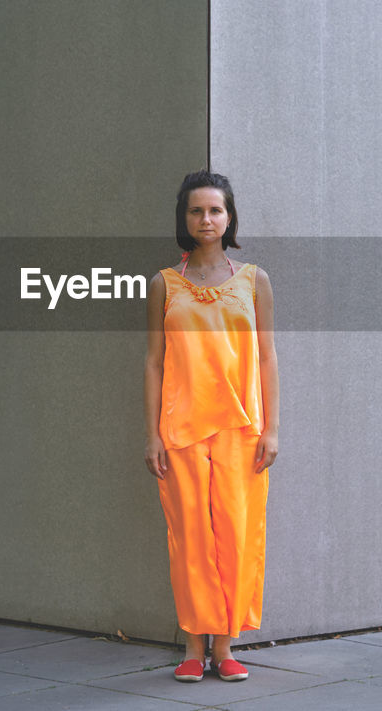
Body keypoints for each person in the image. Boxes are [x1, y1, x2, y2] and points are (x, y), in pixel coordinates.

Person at [144, 169, 280, 683]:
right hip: (180, 428)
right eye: (196, 210)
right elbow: (154, 362)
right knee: (191, 540)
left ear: (229, 217)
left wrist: (272, 428)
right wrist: (151, 432)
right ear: (185, 218)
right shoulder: (164, 284)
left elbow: (267, 358)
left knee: (238, 536)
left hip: (242, 429)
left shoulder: (254, 280)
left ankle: (225, 648)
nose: (207, 219)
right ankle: (191, 647)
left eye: (215, 210)